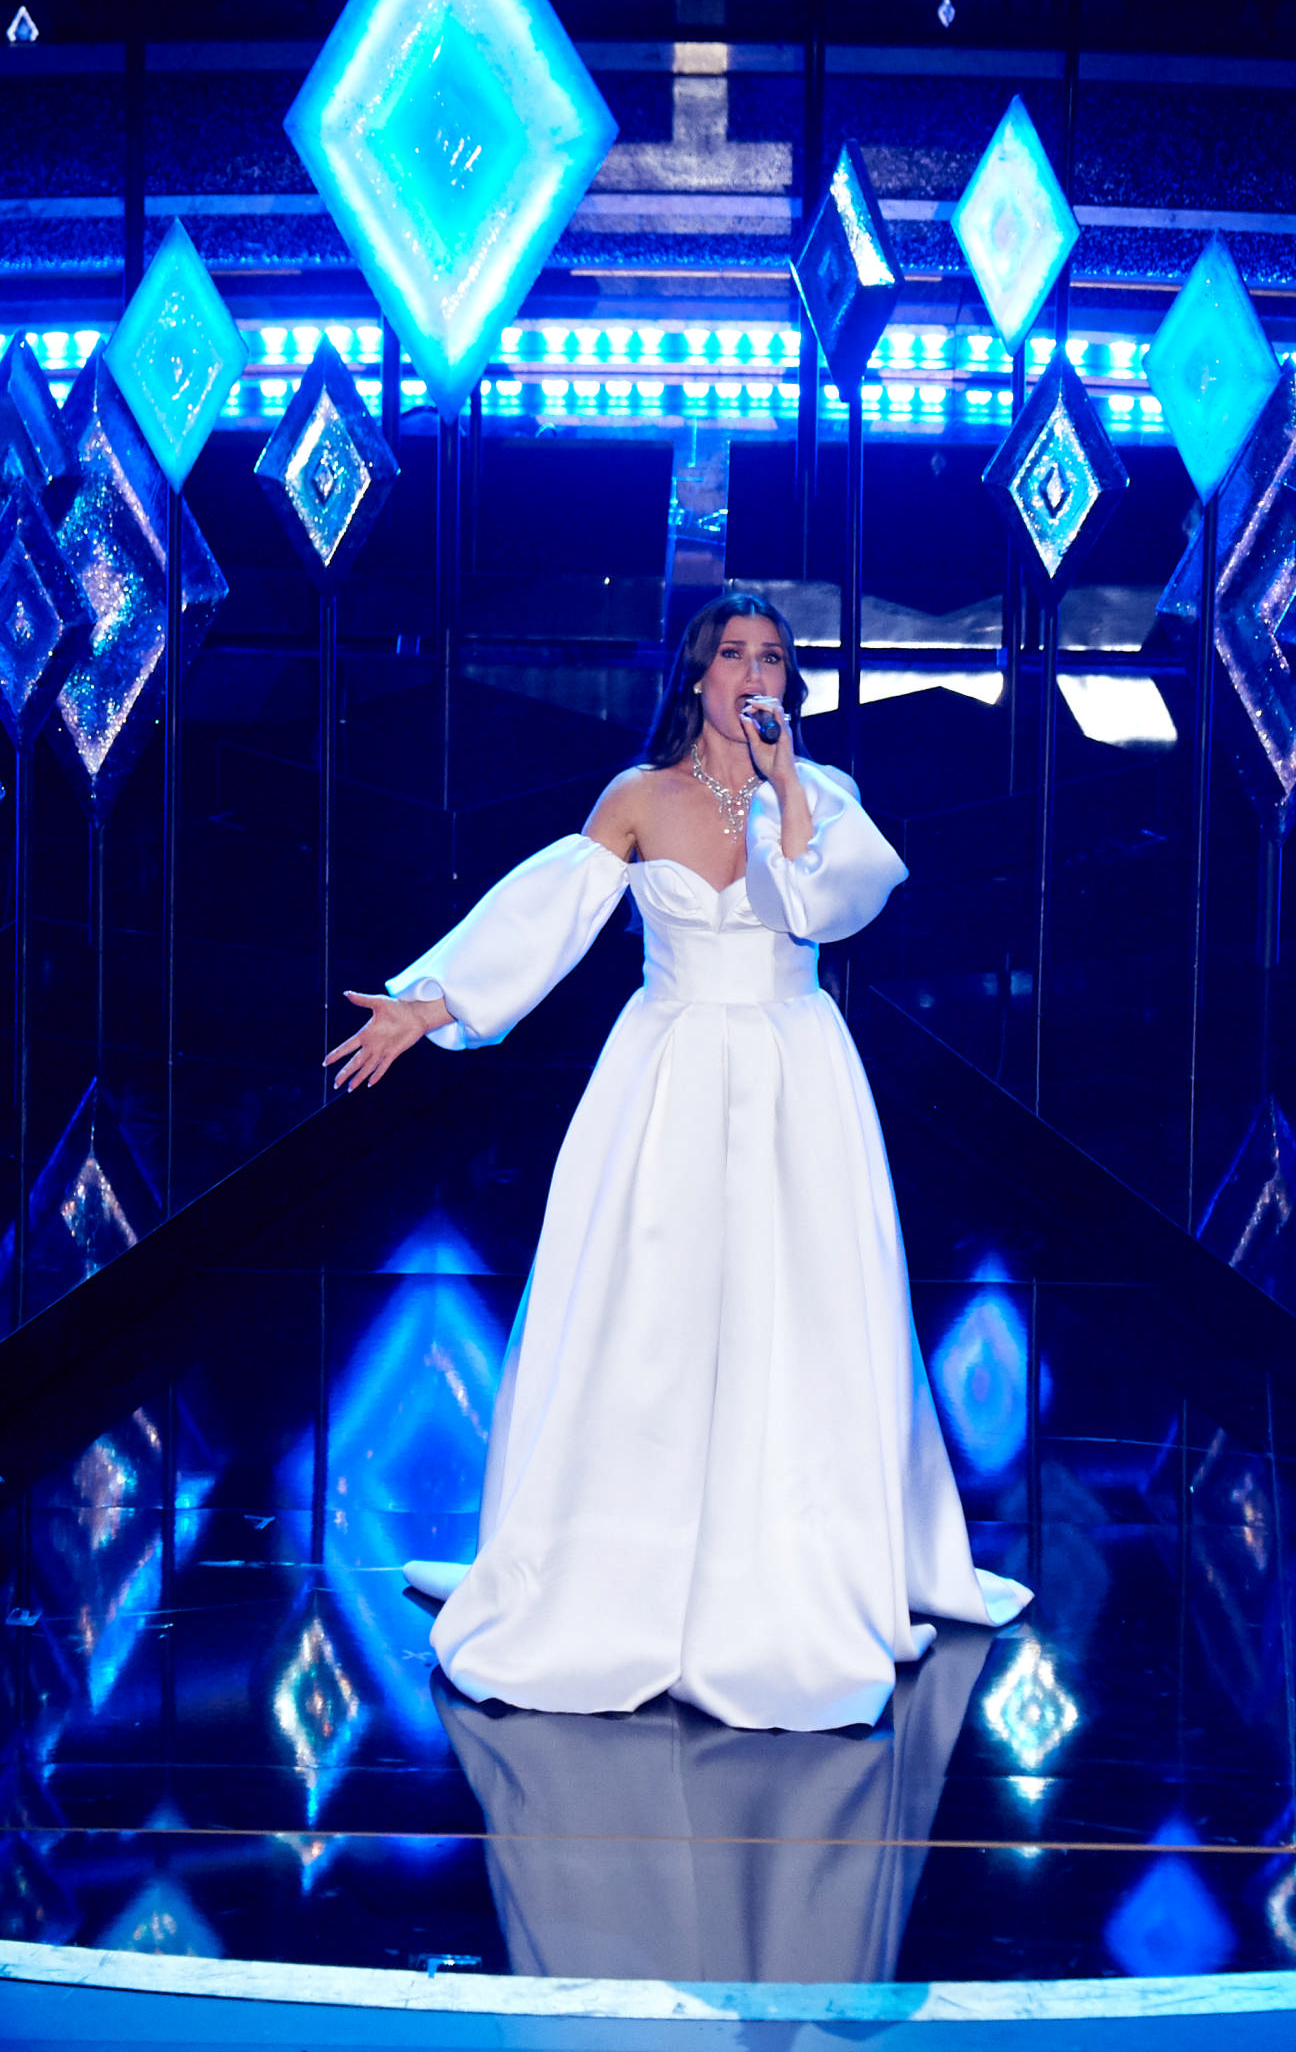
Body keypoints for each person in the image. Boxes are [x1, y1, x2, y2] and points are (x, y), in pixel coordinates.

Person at [324, 591, 1030, 1734]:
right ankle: (622, 1568)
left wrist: (787, 785)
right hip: (666, 1077)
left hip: (798, 1076)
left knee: (797, 1319)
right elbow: (545, 919)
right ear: (697, 676)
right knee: (647, 1320)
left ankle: (796, 1571)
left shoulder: (823, 797)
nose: (754, 672)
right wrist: (431, 1002)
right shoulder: (637, 798)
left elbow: (826, 905)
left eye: (773, 658)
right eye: (734, 655)